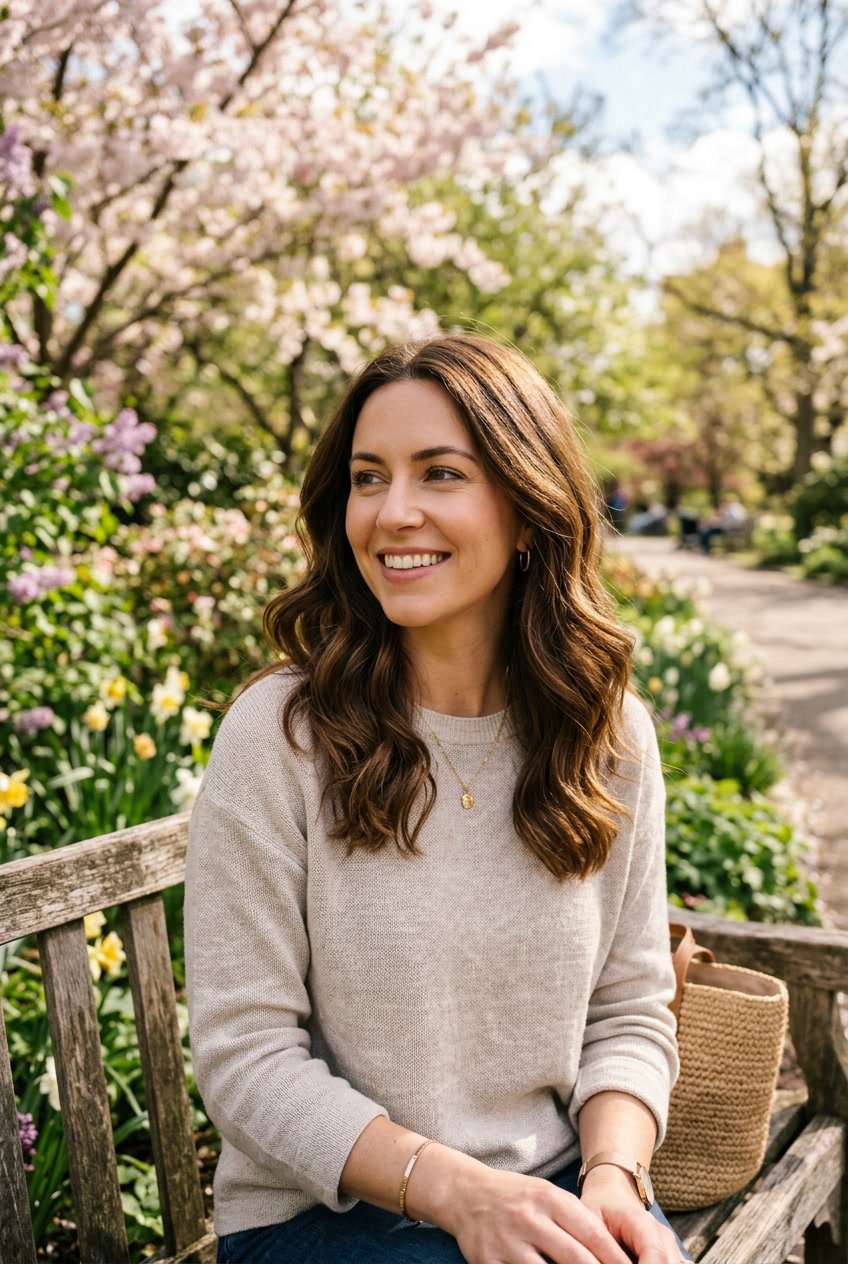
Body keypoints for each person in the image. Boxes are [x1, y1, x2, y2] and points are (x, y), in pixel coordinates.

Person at [184, 334, 690, 1264]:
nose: (393, 512)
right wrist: (458, 1193)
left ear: (531, 511)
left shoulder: (608, 735)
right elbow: (244, 1055)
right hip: (324, 1222)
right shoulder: (279, 736)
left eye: (441, 474)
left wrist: (616, 1184)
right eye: (368, 478)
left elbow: (628, 1009)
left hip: (555, 1190)